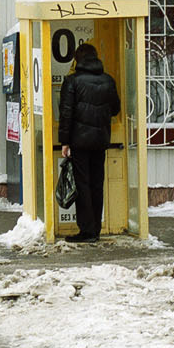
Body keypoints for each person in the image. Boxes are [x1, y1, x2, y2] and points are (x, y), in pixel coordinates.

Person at [57, 42, 120, 242]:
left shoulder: (72, 81)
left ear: (77, 60)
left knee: (82, 184)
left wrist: (64, 142)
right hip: (101, 140)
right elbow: (115, 109)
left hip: (79, 142)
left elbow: (66, 114)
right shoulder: (108, 80)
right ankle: (96, 230)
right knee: (96, 184)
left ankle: (87, 230)